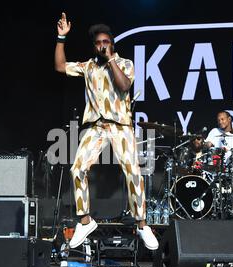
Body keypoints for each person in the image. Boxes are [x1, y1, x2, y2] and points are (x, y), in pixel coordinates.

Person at [54, 13, 158, 250]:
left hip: (120, 127)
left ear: (112, 44)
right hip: (96, 127)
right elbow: (60, 66)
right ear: (94, 46)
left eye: (106, 42)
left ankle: (142, 224)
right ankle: (85, 221)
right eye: (98, 43)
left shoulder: (125, 64)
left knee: (133, 171)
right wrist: (61, 37)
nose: (102, 46)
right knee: (77, 168)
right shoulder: (88, 66)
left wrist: (111, 60)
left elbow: (124, 86)